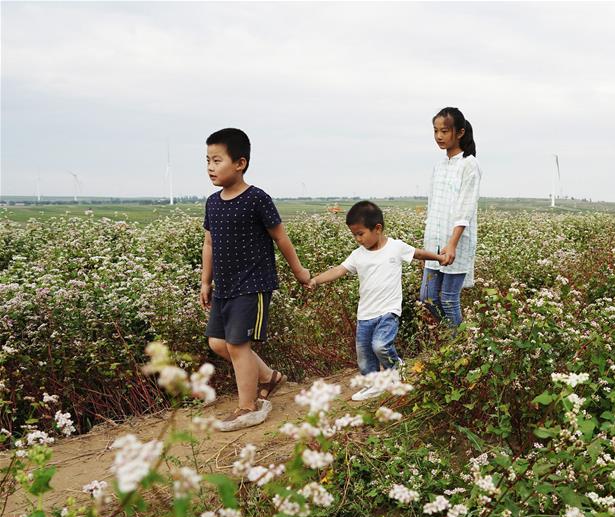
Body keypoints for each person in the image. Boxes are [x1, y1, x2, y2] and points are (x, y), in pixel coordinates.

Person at [200, 128, 311, 431]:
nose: (210, 167)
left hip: (253, 284)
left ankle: (248, 407)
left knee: (238, 345)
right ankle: (270, 377)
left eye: (217, 160)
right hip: (224, 286)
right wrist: (205, 281)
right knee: (218, 342)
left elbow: (280, 237)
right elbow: (209, 243)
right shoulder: (212, 202)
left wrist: (299, 271)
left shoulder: (256, 199)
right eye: (207, 160)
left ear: (240, 163)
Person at [307, 201, 447, 401]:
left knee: (380, 345)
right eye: (354, 235)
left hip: (388, 311)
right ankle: (374, 385)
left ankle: (396, 368)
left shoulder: (395, 247)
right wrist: (315, 280)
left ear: (378, 228)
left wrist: (439, 258)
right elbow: (339, 269)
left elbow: (418, 253)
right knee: (364, 356)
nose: (357, 239)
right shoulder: (358, 255)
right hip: (365, 315)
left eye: (360, 234)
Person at [421, 106, 481, 327]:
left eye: (444, 131)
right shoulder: (439, 166)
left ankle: (457, 348)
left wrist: (452, 244)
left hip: (457, 243)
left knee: (448, 299)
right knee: (427, 298)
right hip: (433, 244)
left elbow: (465, 209)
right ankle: (453, 338)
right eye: (436, 131)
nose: (439, 136)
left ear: (460, 132)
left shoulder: (469, 165)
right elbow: (432, 207)